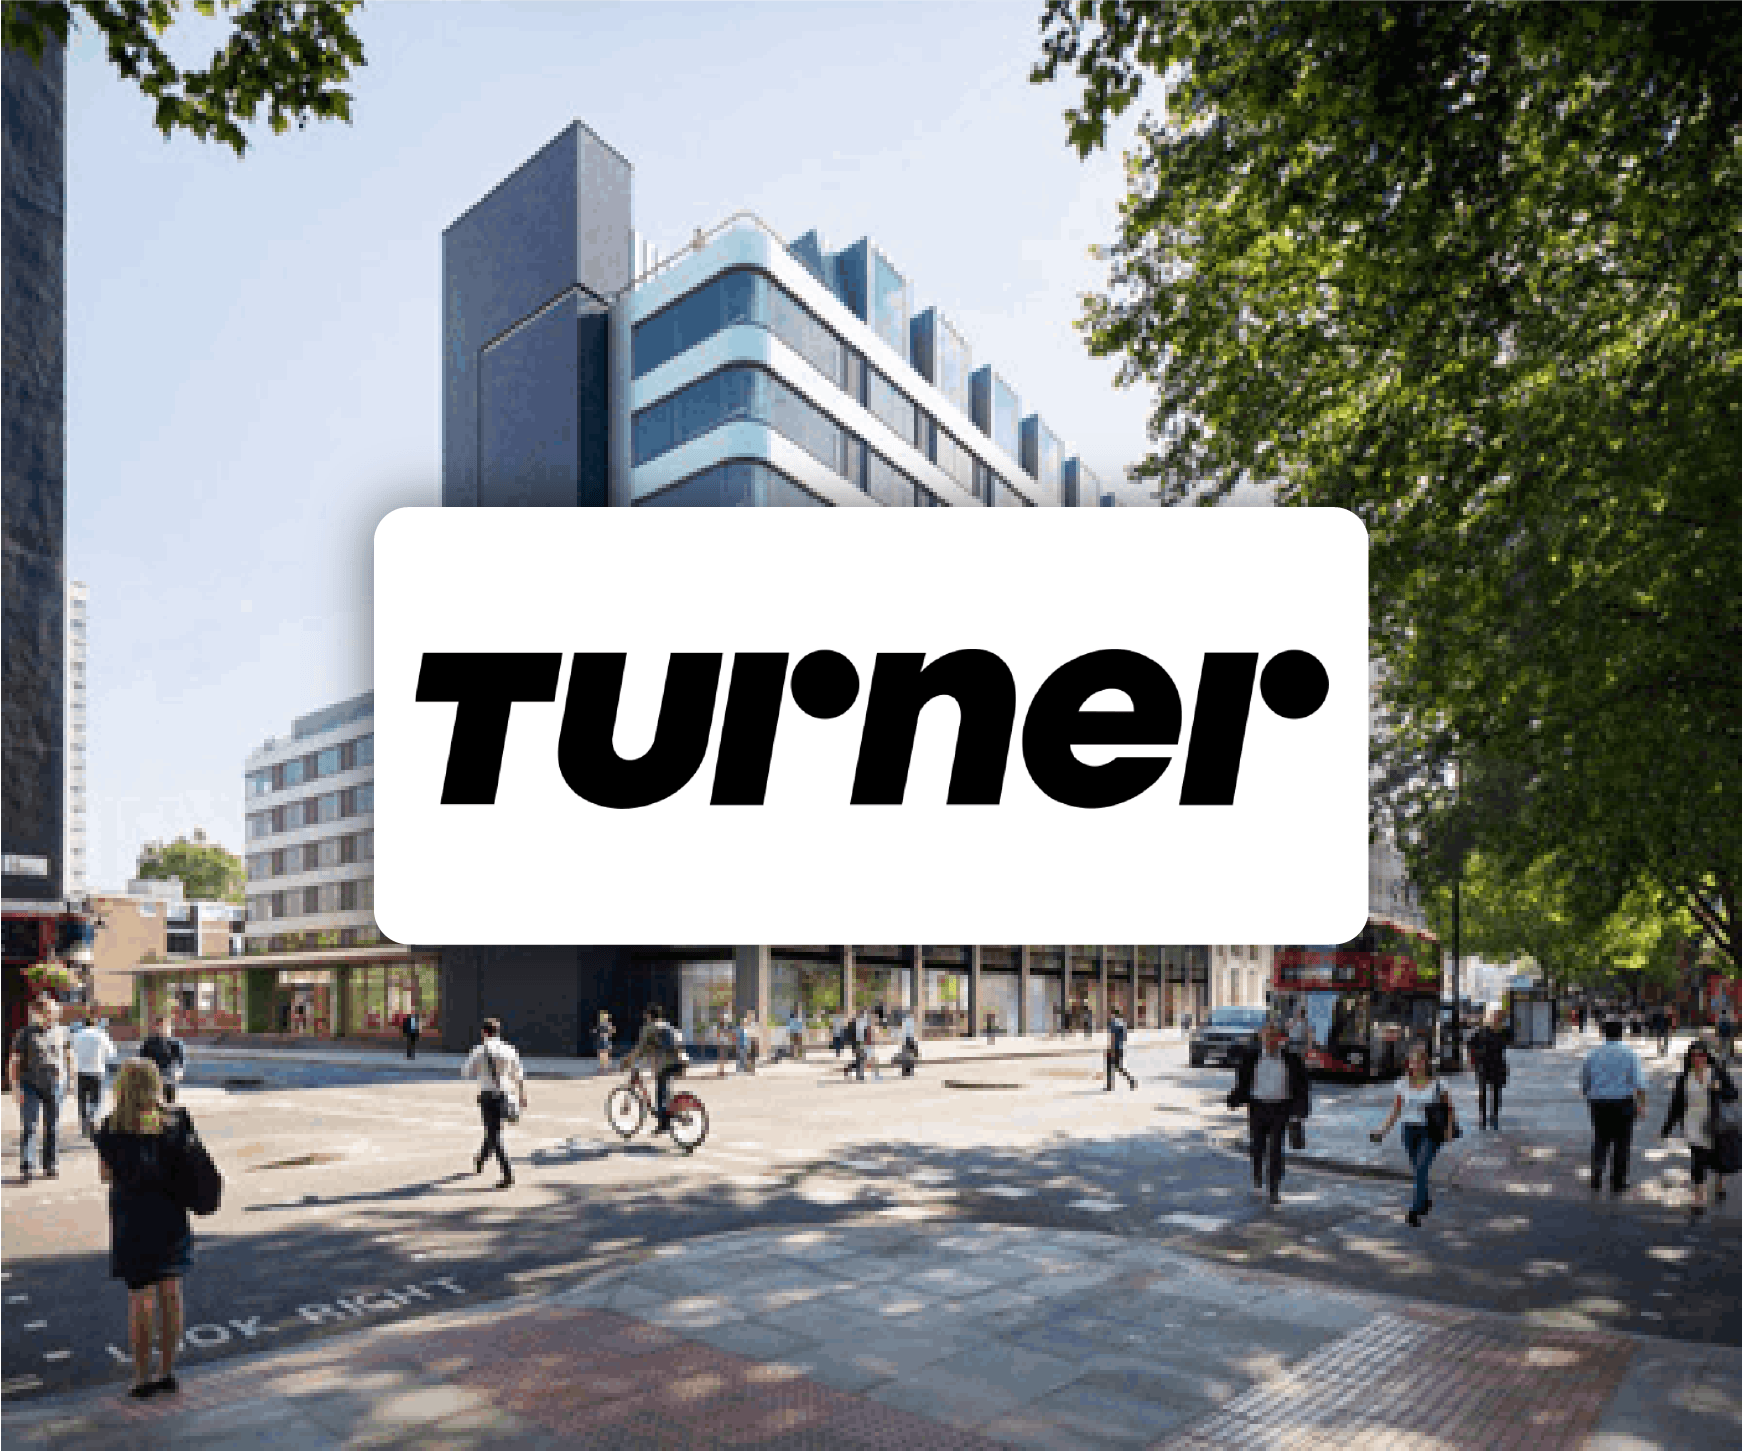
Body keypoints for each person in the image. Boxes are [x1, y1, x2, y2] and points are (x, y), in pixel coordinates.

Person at [94, 1058, 194, 1397]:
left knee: (142, 1299)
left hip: (131, 1218)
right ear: (155, 1085)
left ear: (121, 1088)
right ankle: (167, 1371)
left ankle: (141, 1378)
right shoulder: (172, 1121)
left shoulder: (110, 1127)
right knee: (171, 1294)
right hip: (169, 1215)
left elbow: (106, 1175)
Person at [1370, 1039, 1458, 1226]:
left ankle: (1415, 1210)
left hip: (1431, 1131)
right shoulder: (1402, 1084)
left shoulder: (1438, 1083)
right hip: (1409, 1131)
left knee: (1421, 1168)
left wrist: (1449, 1129)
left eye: (1418, 1061)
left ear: (1425, 1062)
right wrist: (1382, 1130)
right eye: (1411, 1061)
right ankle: (1425, 1200)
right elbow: (1395, 1112)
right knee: (1419, 1170)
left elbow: (1449, 1108)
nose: (1414, 1065)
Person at [1227, 1018, 1310, 1206]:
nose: (1270, 1040)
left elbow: (1303, 1087)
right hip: (1257, 1107)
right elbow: (1242, 1082)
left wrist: (1300, 1112)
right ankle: (1257, 1177)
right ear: (1261, 1036)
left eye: (1274, 1036)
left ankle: (1274, 1190)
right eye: (1267, 1035)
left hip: (1281, 1108)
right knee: (1257, 1147)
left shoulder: (1292, 1060)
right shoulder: (1251, 1057)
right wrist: (1234, 1099)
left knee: (1276, 1150)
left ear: (1280, 1038)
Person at [1661, 1039, 1739, 1217]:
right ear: (1689, 1057)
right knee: (1698, 1158)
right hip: (1692, 1122)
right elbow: (1677, 1104)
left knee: (1718, 1155)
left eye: (1701, 1055)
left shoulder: (1717, 1073)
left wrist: (1719, 1089)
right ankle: (1699, 1198)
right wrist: (1667, 1128)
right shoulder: (1684, 1077)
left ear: (1707, 1056)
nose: (1698, 1058)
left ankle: (1720, 1181)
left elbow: (1733, 1093)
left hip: (1715, 1121)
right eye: (1694, 1055)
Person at [9, 997, 74, 1182]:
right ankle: (27, 1166)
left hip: (55, 1084)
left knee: (52, 1126)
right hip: (29, 1085)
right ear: (39, 1013)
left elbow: (68, 1056)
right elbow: (14, 1061)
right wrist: (15, 1087)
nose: (54, 1015)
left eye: (56, 1012)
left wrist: (71, 1079)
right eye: (51, 1012)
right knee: (30, 1126)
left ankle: (50, 1165)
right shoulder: (25, 1033)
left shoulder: (63, 1032)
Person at [1582, 1017, 1647, 1194]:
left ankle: (1596, 1176)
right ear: (1621, 1033)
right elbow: (1639, 1083)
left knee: (1600, 1139)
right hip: (1623, 1103)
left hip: (1598, 1103)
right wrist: (1641, 1105)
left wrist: (1588, 1094)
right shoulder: (1630, 1054)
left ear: (1603, 1032)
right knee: (1622, 1143)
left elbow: (1585, 1080)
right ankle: (1617, 1181)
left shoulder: (1593, 1054)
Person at [460, 1017, 526, 1188]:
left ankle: (507, 1174)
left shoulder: (480, 1050)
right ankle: (480, 1159)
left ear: (484, 1032)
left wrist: (481, 1071)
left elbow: (466, 1072)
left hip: (487, 1095)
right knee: (493, 1130)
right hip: (504, 1094)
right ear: (497, 1032)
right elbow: (518, 1074)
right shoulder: (509, 1049)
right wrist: (522, 1095)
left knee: (494, 1134)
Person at [627, 1005, 684, 1134]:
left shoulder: (650, 1027)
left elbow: (640, 1048)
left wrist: (627, 1060)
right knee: (665, 1088)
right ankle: (668, 1113)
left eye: (646, 1016)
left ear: (649, 1016)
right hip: (681, 1061)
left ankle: (663, 1125)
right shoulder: (667, 1025)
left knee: (660, 1093)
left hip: (666, 1063)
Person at [72, 1015, 119, 1138]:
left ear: (84, 1023)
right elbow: (111, 1054)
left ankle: (84, 1126)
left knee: (82, 1100)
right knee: (96, 1099)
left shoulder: (77, 1036)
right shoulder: (101, 1035)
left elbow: (70, 1052)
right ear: (95, 1023)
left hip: (80, 1072)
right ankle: (93, 1119)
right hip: (97, 1071)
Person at [1467, 1011, 1511, 1132]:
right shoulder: (1480, 1031)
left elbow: (1511, 1041)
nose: (1496, 1019)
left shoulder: (1503, 1032)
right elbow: (1469, 1044)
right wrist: (1471, 1062)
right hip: (1482, 1065)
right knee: (1482, 1092)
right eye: (1494, 1017)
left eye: (1498, 1018)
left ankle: (1494, 1117)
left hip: (1498, 1065)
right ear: (1489, 1018)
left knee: (1496, 1092)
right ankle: (1482, 1117)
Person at [137, 1016, 186, 1106]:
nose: (163, 1028)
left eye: (166, 1026)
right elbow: (142, 1058)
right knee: (152, 1101)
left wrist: (180, 1070)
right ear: (156, 1027)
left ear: (170, 1027)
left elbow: (181, 1059)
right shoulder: (149, 1042)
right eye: (161, 1026)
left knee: (170, 1101)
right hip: (152, 1073)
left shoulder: (175, 1042)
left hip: (169, 1073)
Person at [1105, 1006, 1137, 1091]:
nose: (1107, 1014)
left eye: (1108, 1012)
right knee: (1118, 1066)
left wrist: (1111, 1048)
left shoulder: (1113, 1022)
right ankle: (1131, 1080)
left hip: (1114, 1047)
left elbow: (1113, 1036)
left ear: (1112, 1013)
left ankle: (1110, 1086)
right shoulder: (1123, 1023)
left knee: (1110, 1066)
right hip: (1121, 1047)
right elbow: (1125, 1037)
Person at [736, 1010, 758, 1075]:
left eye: (752, 1015)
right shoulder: (745, 1021)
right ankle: (744, 1067)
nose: (751, 1016)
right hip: (746, 1039)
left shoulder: (754, 1023)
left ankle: (750, 1068)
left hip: (752, 1040)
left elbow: (756, 1031)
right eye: (750, 1014)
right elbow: (743, 1029)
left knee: (751, 1055)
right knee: (745, 1054)